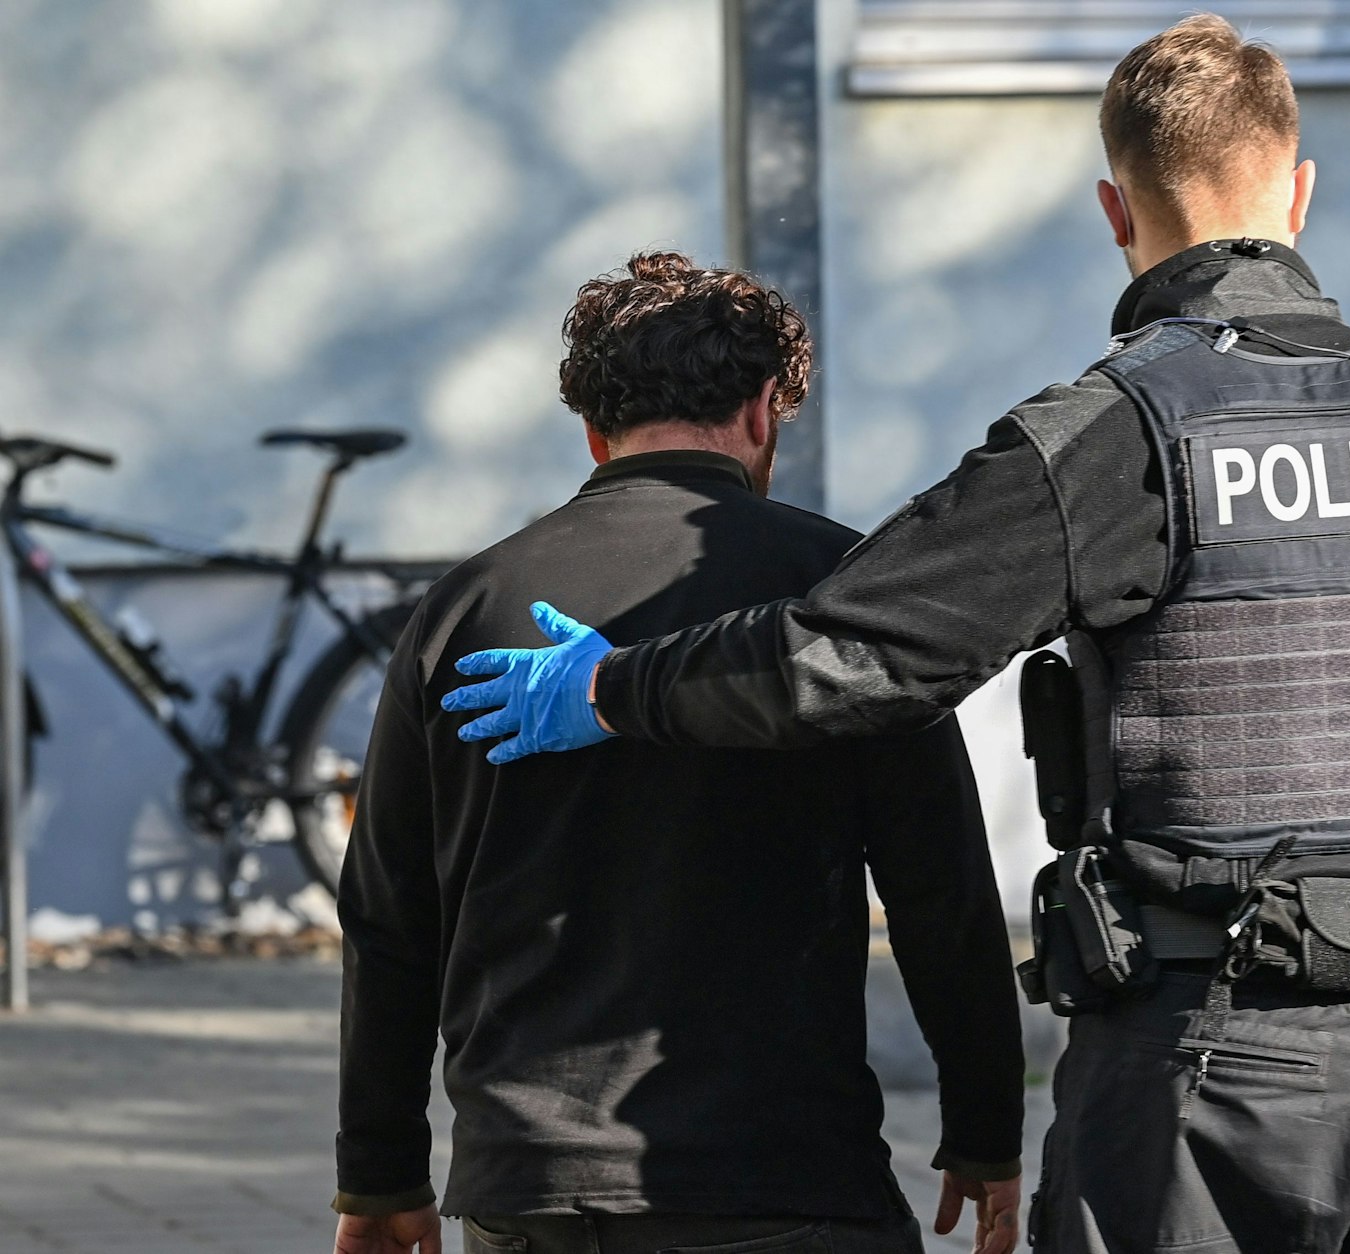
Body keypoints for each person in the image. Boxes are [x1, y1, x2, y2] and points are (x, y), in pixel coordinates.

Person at [443, 18, 1350, 1254]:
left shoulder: (1112, 435)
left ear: (1116, 212)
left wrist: (614, 686)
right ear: (1298, 194)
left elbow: (850, 657)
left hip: (1201, 1074)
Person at [334, 253, 1025, 1254]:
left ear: (591, 429)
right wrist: (983, 1130)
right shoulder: (841, 597)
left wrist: (379, 1174)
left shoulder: (466, 606)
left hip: (529, 1190)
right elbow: (941, 893)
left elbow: (389, 913)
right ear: (761, 414)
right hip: (787, 1181)